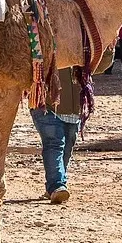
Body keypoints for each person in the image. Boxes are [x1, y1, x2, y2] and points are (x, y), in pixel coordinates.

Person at [30, 68, 82, 204]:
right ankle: (57, 186)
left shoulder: (83, 48)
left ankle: (55, 186)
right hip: (46, 106)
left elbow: (98, 67)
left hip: (74, 111)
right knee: (54, 145)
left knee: (66, 150)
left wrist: (108, 49)